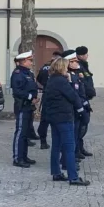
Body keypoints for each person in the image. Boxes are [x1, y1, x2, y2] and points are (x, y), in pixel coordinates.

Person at [42, 58, 90, 186]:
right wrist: (69, 82)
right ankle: (73, 177)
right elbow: (72, 95)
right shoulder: (62, 81)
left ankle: (56, 173)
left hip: (54, 117)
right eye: (66, 67)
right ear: (62, 67)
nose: (68, 69)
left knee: (56, 146)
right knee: (69, 147)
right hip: (64, 117)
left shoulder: (51, 79)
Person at [10, 51, 37, 168]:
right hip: (22, 106)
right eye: (30, 60)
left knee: (25, 133)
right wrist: (31, 97)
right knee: (20, 132)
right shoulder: (18, 73)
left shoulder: (29, 73)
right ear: (23, 61)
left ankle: (24, 156)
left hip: (29, 106)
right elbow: (17, 91)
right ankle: (17, 158)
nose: (31, 62)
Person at [65, 50, 89, 160]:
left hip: (80, 106)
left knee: (78, 131)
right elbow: (74, 94)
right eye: (74, 61)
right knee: (73, 133)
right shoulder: (68, 76)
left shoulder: (75, 75)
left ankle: (75, 152)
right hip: (74, 109)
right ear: (68, 63)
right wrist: (80, 107)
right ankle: (71, 155)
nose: (77, 63)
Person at [36, 51, 61, 149]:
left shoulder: (44, 67)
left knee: (44, 120)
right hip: (57, 97)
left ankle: (43, 141)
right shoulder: (59, 68)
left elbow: (38, 81)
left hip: (46, 95)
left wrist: (45, 88)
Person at [75, 47, 96, 157]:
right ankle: (76, 150)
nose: (87, 56)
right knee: (81, 127)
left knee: (83, 126)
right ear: (81, 55)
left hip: (86, 98)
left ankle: (80, 147)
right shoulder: (79, 67)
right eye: (86, 54)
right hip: (81, 100)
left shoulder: (83, 66)